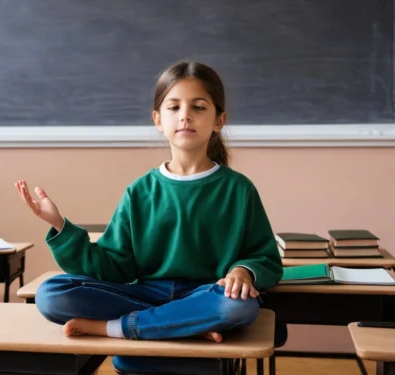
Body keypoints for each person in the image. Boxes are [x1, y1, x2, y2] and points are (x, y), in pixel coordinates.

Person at [15, 60, 282, 374]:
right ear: (158, 119)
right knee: (51, 294)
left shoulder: (238, 189)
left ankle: (116, 328)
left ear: (219, 120)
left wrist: (244, 271)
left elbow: (265, 258)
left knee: (237, 305)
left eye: (198, 107)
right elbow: (114, 267)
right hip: (146, 294)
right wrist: (59, 225)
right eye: (174, 107)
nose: (185, 115)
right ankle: (185, 325)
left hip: (204, 293)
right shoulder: (140, 191)